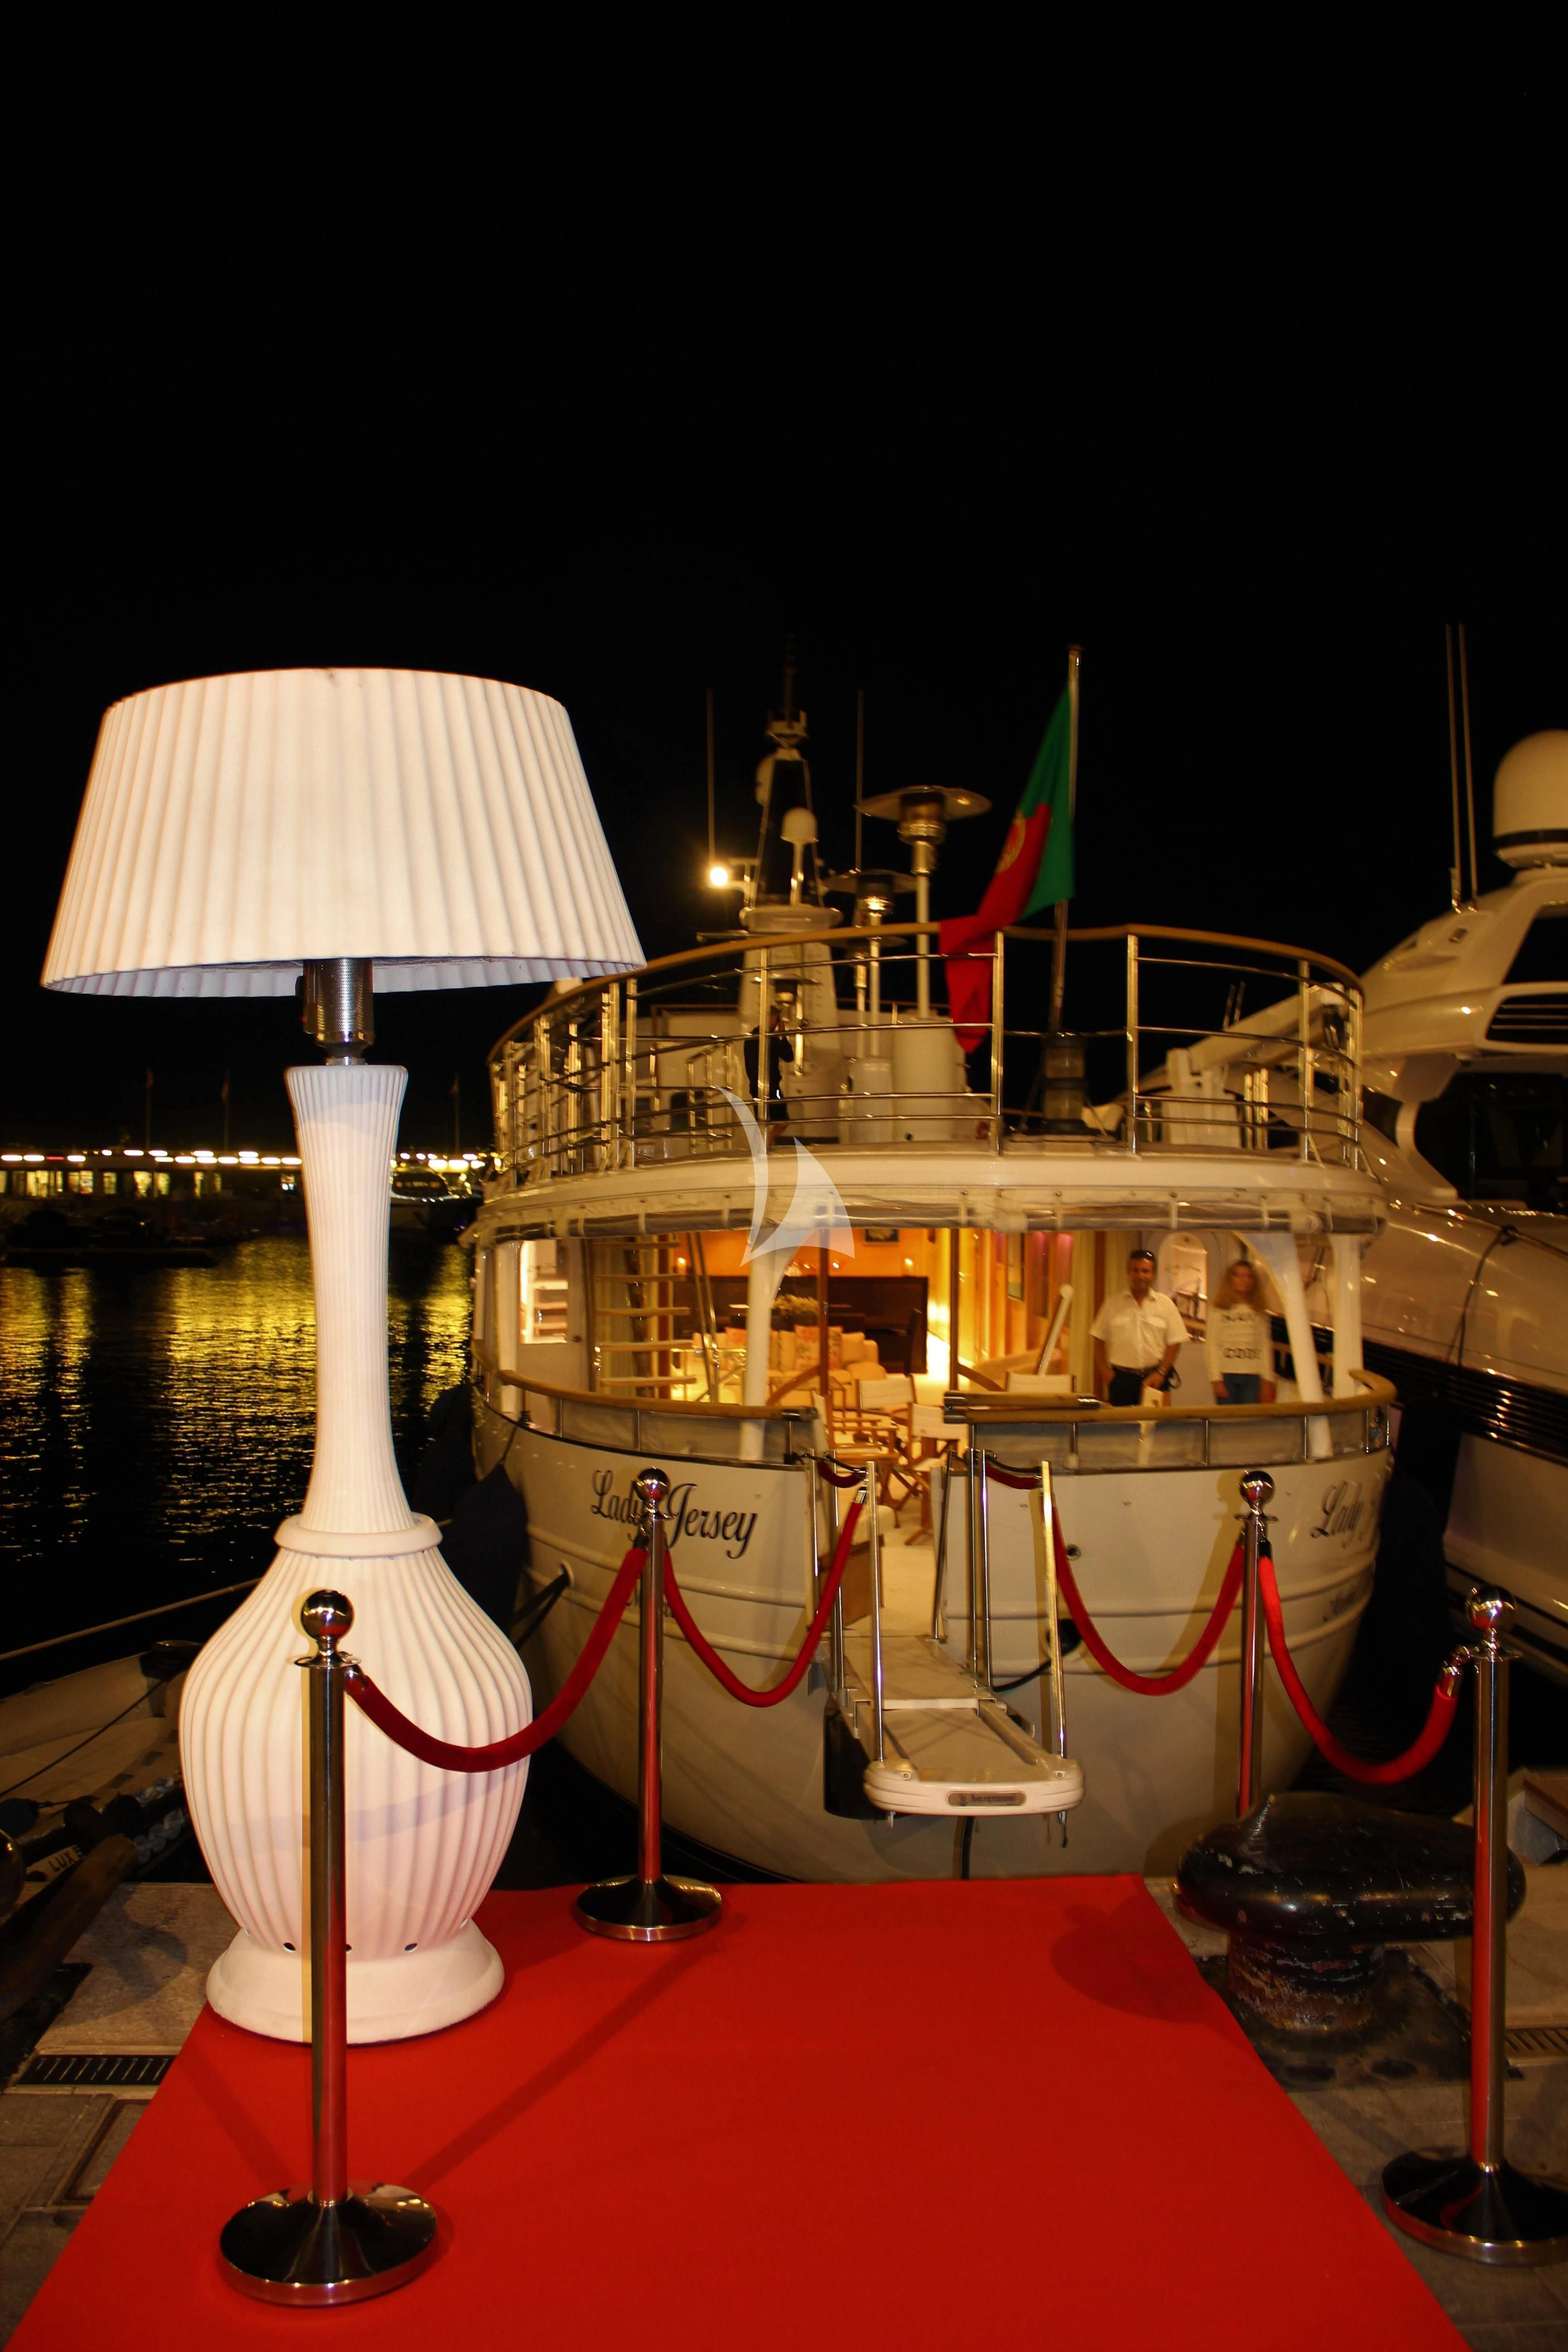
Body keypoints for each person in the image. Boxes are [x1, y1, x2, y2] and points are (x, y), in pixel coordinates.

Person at [1091, 1249, 1188, 1406]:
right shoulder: (1113, 1304)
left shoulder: (1166, 1306)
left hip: (1155, 1379)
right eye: (1136, 1271)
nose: (1141, 1276)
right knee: (1124, 1429)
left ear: (1153, 1275)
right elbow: (1098, 1338)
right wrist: (1105, 1372)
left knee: (1157, 1428)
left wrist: (1162, 1373)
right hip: (1122, 1380)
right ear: (1129, 1273)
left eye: (1146, 1271)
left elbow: (1175, 1343)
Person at [1207, 1257, 1276, 1405]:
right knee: (1227, 1421)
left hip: (1252, 1375)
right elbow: (1212, 1345)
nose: (1243, 1280)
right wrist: (1216, 1379)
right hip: (1227, 1374)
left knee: (1248, 1421)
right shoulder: (1219, 1310)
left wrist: (1267, 1379)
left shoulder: (1259, 1311)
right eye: (1238, 1275)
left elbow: (1264, 1346)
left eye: (1248, 1276)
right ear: (1230, 1279)